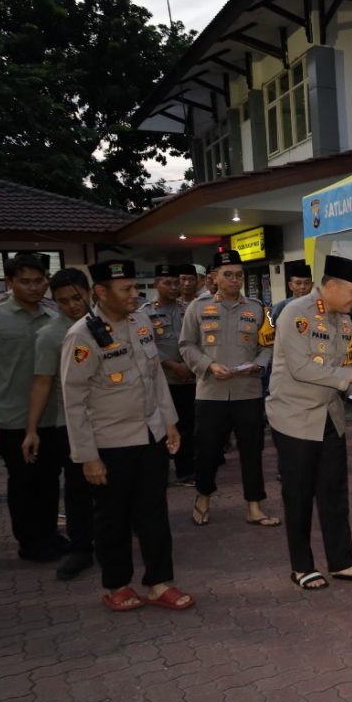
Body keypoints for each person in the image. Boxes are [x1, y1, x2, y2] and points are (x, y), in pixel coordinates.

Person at [61, 258, 193, 612]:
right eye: (127, 290)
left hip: (149, 437)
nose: (136, 294)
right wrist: (87, 457)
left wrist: (169, 422)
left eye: (136, 287)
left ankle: (158, 582)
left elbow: (155, 377)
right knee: (112, 518)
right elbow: (73, 402)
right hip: (110, 444)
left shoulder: (141, 322)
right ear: (100, 293)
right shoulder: (82, 337)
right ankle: (117, 585)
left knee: (153, 514)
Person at [266, 254, 352, 590]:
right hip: (294, 418)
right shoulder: (297, 314)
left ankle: (342, 562)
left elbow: (336, 371)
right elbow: (302, 368)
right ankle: (301, 565)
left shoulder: (343, 321)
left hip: (328, 416)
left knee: (334, 493)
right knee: (299, 494)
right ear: (331, 286)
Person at [0, 253, 67, 562]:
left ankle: (49, 533)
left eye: (39, 281)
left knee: (49, 479)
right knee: (23, 480)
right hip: (11, 416)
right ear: (9, 283)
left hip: (52, 415)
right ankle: (29, 541)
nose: (34, 288)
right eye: (25, 282)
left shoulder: (53, 315)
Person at [180, 250, 278, 527]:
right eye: (228, 275)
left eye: (239, 275)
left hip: (248, 392)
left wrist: (257, 366)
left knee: (252, 451)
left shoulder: (260, 309)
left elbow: (268, 345)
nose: (235, 280)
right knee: (208, 450)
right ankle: (203, 497)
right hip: (211, 393)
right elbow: (186, 345)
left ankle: (255, 506)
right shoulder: (197, 308)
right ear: (214, 277)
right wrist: (209, 365)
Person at [23, 268, 96, 581]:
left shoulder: (111, 323)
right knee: (78, 488)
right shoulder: (51, 335)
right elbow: (42, 382)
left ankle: (113, 538)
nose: (72, 305)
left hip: (112, 420)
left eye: (77, 298)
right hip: (69, 423)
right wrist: (31, 429)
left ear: (89, 292)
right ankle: (81, 547)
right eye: (63, 301)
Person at [140, 264, 195, 486]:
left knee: (188, 428)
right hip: (163, 382)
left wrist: (189, 365)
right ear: (156, 284)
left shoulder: (188, 309)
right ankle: (160, 473)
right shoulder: (144, 313)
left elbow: (196, 340)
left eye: (176, 282)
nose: (174, 287)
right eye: (167, 283)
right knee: (162, 428)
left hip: (190, 378)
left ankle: (186, 471)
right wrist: (173, 365)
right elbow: (146, 347)